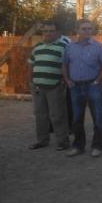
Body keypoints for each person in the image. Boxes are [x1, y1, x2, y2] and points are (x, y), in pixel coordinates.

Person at [62, 19, 102, 158]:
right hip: (75, 87)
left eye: (89, 28)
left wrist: (97, 81)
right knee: (77, 119)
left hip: (92, 86)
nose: (87, 31)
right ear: (77, 30)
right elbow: (64, 64)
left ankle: (97, 146)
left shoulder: (98, 47)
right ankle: (78, 146)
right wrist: (67, 80)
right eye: (84, 29)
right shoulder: (70, 47)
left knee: (98, 118)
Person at [28, 21, 70, 151]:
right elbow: (30, 65)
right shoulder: (37, 47)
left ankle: (63, 141)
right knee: (40, 115)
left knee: (57, 115)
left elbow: (68, 65)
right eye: (45, 31)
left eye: (51, 31)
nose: (48, 33)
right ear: (42, 33)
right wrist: (30, 82)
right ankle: (42, 140)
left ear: (57, 32)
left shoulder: (64, 47)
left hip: (55, 87)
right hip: (38, 87)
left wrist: (64, 80)